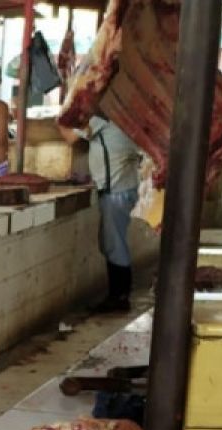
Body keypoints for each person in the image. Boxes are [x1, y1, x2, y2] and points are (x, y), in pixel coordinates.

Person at [58, 115, 142, 312]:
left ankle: (119, 297)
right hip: (124, 186)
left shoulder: (101, 119)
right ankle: (119, 294)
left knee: (114, 244)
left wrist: (59, 120)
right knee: (111, 242)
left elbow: (71, 138)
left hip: (115, 190)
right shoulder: (122, 119)